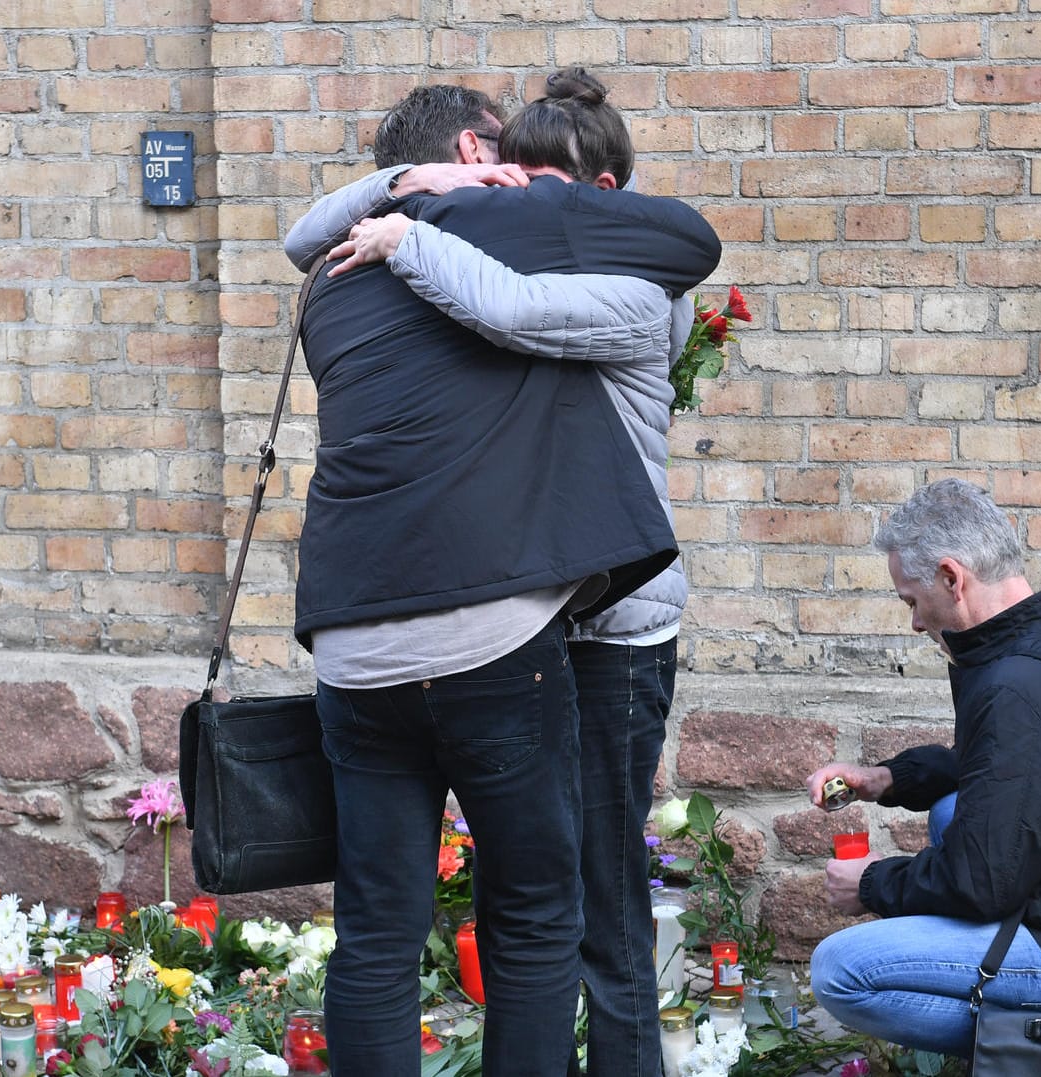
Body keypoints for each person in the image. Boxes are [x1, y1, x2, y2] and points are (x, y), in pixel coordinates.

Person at [290, 74, 720, 1076]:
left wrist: (402, 220)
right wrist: (432, 215)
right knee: (535, 921)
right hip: (498, 629)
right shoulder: (505, 235)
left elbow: (315, 241)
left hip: (364, 639)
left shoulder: (335, 282)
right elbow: (672, 245)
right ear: (481, 162)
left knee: (381, 931)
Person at [804, 477, 1041, 1057]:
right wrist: (887, 779)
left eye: (911, 600)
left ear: (952, 578)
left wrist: (873, 883)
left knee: (840, 970)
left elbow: (981, 881)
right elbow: (1002, 771)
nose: (915, 624)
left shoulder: (1017, 686)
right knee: (953, 809)